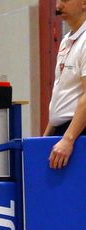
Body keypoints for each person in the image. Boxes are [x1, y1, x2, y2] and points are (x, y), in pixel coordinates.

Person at [45, 0, 86, 169]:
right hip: (63, 133)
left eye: (65, 0)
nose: (58, 6)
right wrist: (45, 138)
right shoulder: (66, 41)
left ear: (84, 3)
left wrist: (68, 139)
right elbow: (61, 95)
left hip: (78, 135)